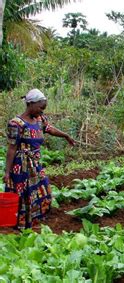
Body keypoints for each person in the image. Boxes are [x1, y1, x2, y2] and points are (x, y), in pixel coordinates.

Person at [3, 89, 75, 229]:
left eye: (44, 109)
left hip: (35, 163)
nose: (42, 111)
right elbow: (11, 148)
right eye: (40, 108)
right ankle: (21, 224)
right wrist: (7, 172)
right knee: (24, 195)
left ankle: (35, 221)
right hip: (21, 166)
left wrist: (65, 135)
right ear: (30, 104)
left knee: (43, 192)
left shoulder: (39, 119)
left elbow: (50, 129)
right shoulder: (16, 123)